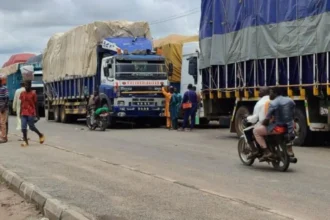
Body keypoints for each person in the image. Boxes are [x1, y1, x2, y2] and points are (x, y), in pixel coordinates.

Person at [253, 87, 295, 161]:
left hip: (277, 127)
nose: (269, 94)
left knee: (256, 131)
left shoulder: (273, 103)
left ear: (275, 93)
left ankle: (267, 152)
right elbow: (293, 113)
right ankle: (289, 147)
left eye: (271, 92)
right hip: (289, 127)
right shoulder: (290, 100)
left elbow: (267, 119)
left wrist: (263, 123)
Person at [245, 87, 270, 158]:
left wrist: (247, 118)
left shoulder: (260, 103)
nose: (258, 92)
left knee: (248, 131)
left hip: (265, 125)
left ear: (264, 92)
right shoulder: (273, 100)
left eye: (260, 91)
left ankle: (256, 150)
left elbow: (255, 118)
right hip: (276, 123)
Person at [20, 80, 45, 147]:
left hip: (30, 112)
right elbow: (21, 103)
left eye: (27, 85)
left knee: (31, 127)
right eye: (25, 85)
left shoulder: (33, 94)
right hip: (23, 112)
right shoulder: (22, 93)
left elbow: (36, 104)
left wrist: (37, 114)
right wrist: (20, 112)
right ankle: (25, 141)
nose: (26, 87)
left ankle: (40, 135)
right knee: (23, 127)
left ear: (30, 86)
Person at [0, 76, 8, 143]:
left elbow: (7, 98)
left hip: (3, 108)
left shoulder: (4, 88)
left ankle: (4, 138)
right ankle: (2, 136)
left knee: (2, 123)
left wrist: (3, 107)